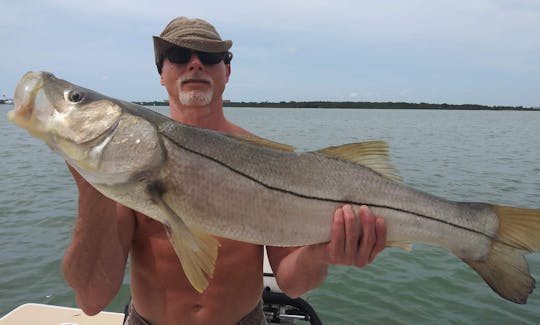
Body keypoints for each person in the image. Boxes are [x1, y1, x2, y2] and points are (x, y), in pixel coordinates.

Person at [62, 17, 387, 325]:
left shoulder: (263, 158)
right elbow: (92, 299)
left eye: (209, 55)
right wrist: (90, 189)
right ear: (161, 73)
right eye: (177, 55)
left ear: (227, 70)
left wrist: (321, 254)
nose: (195, 63)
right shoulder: (133, 162)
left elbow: (292, 282)